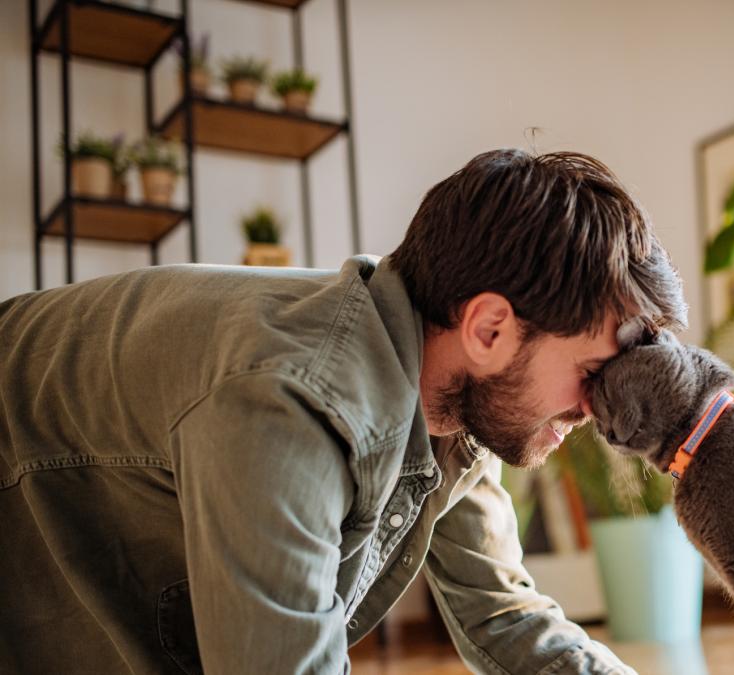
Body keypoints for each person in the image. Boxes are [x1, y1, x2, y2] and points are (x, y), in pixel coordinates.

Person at [0, 149, 687, 673]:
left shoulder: (455, 408)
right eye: (593, 371)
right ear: (488, 328)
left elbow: (504, 615)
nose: (598, 408)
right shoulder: (290, 403)